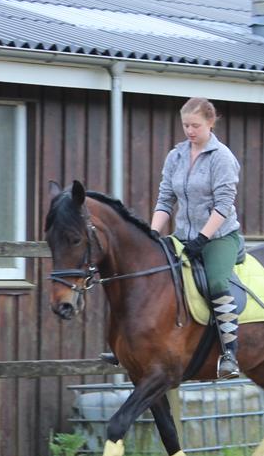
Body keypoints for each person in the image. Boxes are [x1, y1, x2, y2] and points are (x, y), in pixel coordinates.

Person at [103, 97, 244, 379]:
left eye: (196, 125)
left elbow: (224, 204)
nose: (190, 131)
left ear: (211, 122)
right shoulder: (176, 156)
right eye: (186, 125)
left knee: (216, 281)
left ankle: (230, 352)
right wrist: (153, 233)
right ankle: (131, 345)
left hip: (218, 237)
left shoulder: (222, 158)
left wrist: (203, 238)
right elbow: (165, 200)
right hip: (182, 235)